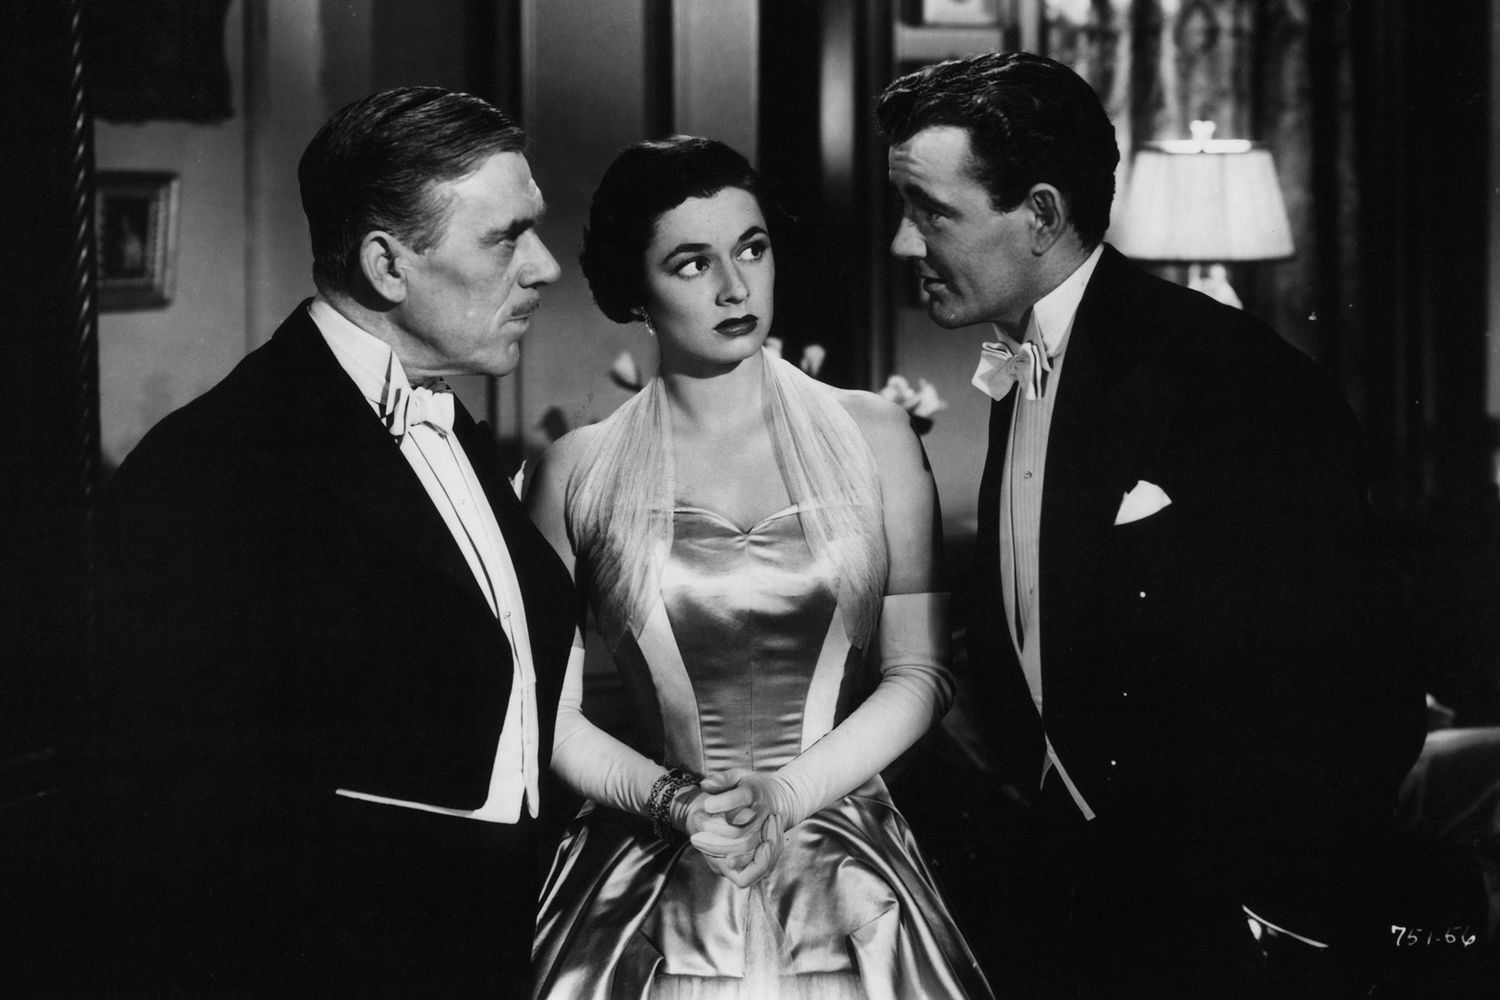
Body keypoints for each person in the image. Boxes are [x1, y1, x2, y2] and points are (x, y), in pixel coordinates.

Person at [876, 52, 1426, 999]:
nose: (903, 242)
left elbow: (1369, 690)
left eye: (930, 212)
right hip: (1076, 914)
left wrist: (1266, 910)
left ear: (1042, 215)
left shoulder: (1235, 379)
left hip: (1225, 935)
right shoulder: (1020, 372)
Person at [96, 88, 573, 999]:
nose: (544, 266)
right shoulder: (218, 465)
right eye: (506, 237)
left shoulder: (451, 425)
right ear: (388, 266)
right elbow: (185, 839)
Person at [525, 136, 994, 1000]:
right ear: (635, 289)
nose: (736, 289)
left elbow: (922, 672)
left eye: (751, 249)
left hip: (840, 852)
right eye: (691, 263)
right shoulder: (574, 471)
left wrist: (786, 794)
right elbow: (541, 715)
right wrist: (670, 802)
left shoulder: (875, 435)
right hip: (658, 854)